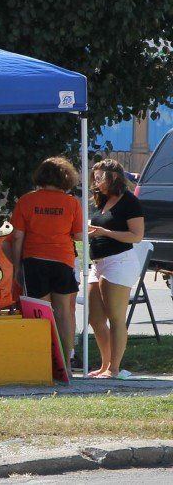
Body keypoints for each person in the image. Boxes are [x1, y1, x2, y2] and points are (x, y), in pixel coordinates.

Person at [10, 156, 84, 366]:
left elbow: (17, 237)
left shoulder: (27, 200)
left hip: (35, 260)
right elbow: (78, 235)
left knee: (40, 313)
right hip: (63, 261)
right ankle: (67, 362)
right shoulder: (71, 203)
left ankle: (42, 361)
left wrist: (17, 266)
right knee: (64, 313)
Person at [87, 158, 144, 379]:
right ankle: (104, 365)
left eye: (100, 176)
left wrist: (105, 232)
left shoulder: (129, 201)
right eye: (95, 176)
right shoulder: (101, 200)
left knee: (115, 317)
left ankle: (114, 368)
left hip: (119, 261)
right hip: (98, 263)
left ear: (114, 177)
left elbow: (136, 236)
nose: (96, 180)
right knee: (95, 318)